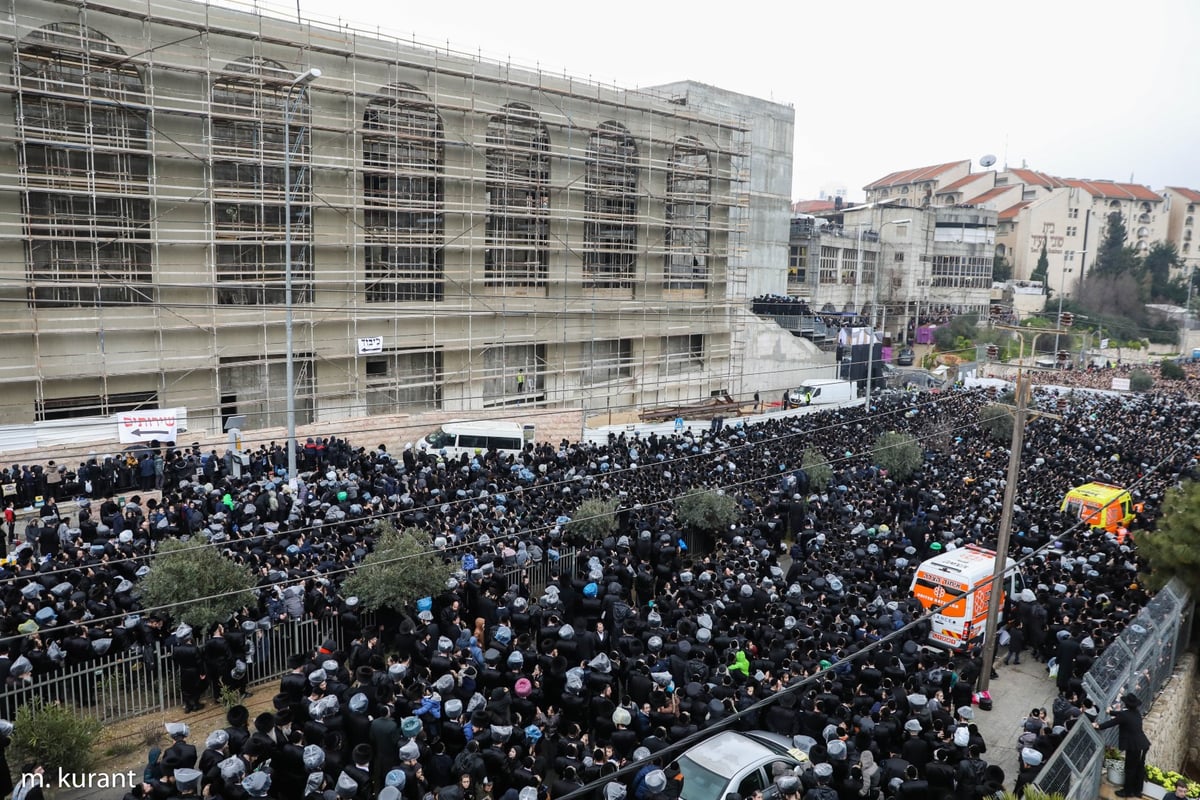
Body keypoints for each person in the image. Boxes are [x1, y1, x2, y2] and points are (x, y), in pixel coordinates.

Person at [1094, 693, 1151, 798]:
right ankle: (1137, 790)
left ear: (1126, 704)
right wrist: (1111, 712)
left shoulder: (1125, 715)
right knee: (1139, 767)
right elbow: (1122, 716)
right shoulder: (1136, 713)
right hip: (1142, 744)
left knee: (1130, 768)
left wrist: (1099, 726)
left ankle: (1127, 791)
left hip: (1134, 746)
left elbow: (1113, 722)